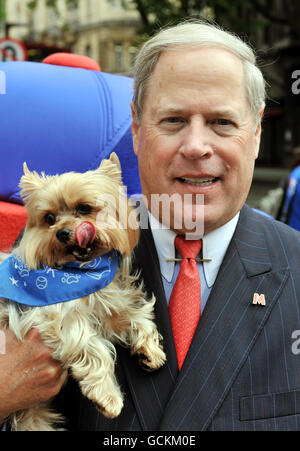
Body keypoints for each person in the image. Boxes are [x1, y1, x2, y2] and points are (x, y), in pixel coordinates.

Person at [2, 19, 300, 431]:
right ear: (138, 130)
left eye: (222, 122)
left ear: (256, 132)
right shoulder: (40, 253)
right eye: (174, 120)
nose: (196, 146)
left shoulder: (295, 267)